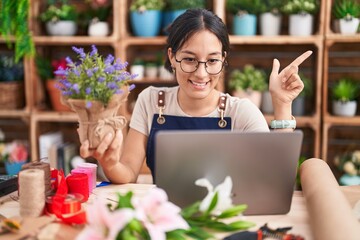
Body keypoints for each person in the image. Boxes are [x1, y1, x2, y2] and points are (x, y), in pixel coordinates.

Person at [80, 8, 312, 184]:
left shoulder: (241, 112)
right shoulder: (151, 101)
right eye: (189, 59)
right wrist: (110, 163)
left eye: (212, 61)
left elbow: (277, 178)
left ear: (223, 59)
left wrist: (282, 105)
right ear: (172, 57)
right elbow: (128, 173)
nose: (201, 74)